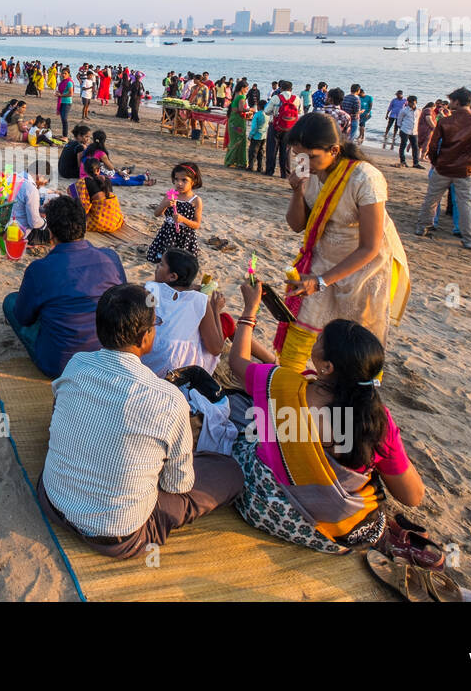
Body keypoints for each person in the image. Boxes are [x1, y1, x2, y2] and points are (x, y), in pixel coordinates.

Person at [36, 283, 245, 559]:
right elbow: (177, 486)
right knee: (229, 472)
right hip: (117, 536)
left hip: (51, 500)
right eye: (155, 324)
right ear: (146, 337)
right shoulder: (169, 400)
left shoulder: (77, 364)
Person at [227, 283, 423, 553]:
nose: (315, 341)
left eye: (320, 341)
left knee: (242, 424)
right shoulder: (377, 421)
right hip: (338, 534)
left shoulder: (282, 386)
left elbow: (237, 361)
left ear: (327, 367)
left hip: (259, 507)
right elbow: (412, 496)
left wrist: (249, 311)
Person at [278, 112, 411, 376]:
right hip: (321, 260)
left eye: (311, 156)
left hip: (361, 269)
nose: (304, 163)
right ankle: (286, 386)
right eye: (298, 156)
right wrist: (297, 190)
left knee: (354, 348)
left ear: (334, 150)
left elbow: (370, 246)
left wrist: (321, 281)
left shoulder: (365, 178)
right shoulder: (311, 173)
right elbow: (296, 225)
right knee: (300, 333)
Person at [2, 194, 126, 376]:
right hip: (106, 356)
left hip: (59, 365)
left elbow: (23, 318)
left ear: (50, 232)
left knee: (11, 302)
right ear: (84, 226)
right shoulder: (110, 257)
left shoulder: (40, 269)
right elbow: (123, 302)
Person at [141, 249, 237, 377]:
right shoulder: (200, 300)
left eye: (162, 264)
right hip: (178, 371)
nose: (157, 266)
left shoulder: (150, 289)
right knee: (222, 323)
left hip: (145, 360)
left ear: (173, 276)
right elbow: (215, 349)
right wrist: (215, 310)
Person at [415, 87, 471, 251]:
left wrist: (436, 161)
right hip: (465, 169)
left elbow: (433, 145)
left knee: (432, 199)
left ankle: (422, 228)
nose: (449, 104)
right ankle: (469, 239)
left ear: (456, 101)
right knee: (465, 204)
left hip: (443, 166)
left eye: (451, 101)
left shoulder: (445, 121)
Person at [146, 163, 202, 262]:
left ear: (193, 181)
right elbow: (156, 213)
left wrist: (183, 220)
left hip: (185, 236)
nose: (179, 183)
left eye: (184, 180)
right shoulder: (170, 195)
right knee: (163, 259)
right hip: (167, 234)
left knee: (181, 261)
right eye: (176, 179)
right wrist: (165, 205)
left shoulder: (195, 200)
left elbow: (196, 224)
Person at [77, 157, 125, 233]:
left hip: (98, 222)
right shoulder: (107, 180)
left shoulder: (83, 182)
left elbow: (81, 205)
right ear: (99, 170)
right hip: (115, 221)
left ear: (85, 170)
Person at [264, 80, 301, 178]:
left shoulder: (276, 98)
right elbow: (299, 111)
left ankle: (269, 171)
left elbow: (267, 111)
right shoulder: (296, 99)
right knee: (286, 151)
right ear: (291, 89)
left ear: (280, 88)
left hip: (275, 126)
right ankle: (285, 173)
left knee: (272, 149)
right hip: (290, 128)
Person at [224, 82, 251, 167]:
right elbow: (241, 109)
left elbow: (235, 109)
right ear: (242, 88)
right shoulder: (241, 96)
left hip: (233, 119)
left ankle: (230, 160)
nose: (247, 90)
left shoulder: (235, 94)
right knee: (239, 140)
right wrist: (251, 110)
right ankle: (237, 161)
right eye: (246, 88)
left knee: (233, 141)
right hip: (238, 121)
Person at [395, 96, 420, 168]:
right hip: (405, 130)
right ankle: (403, 161)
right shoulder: (404, 110)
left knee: (415, 147)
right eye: (410, 102)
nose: (412, 104)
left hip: (414, 132)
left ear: (416, 102)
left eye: (413, 102)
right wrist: (401, 129)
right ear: (408, 102)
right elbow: (399, 121)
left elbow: (418, 121)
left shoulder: (418, 111)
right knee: (403, 146)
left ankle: (416, 163)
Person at [247, 100, 269, 172]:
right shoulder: (267, 114)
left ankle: (251, 166)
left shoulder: (257, 115)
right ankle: (260, 167)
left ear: (258, 107)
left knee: (253, 152)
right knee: (261, 152)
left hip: (256, 136)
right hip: (264, 135)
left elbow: (254, 127)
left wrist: (250, 136)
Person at [55, 67, 75, 137]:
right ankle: (64, 135)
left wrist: (61, 95)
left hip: (67, 103)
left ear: (68, 74)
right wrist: (58, 93)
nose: (63, 75)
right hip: (62, 102)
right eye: (62, 73)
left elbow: (71, 94)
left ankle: (65, 136)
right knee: (62, 119)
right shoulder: (62, 82)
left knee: (64, 119)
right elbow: (61, 91)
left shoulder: (69, 82)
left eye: (65, 73)